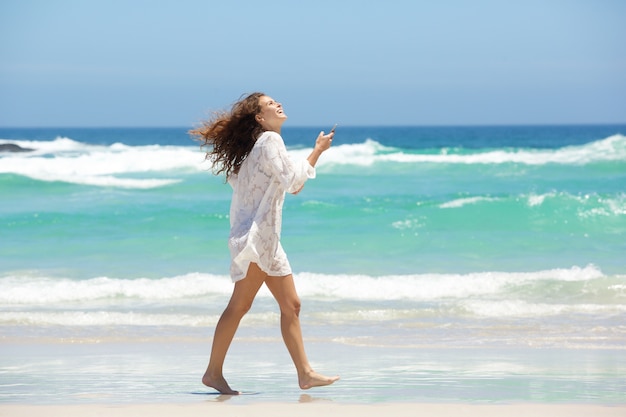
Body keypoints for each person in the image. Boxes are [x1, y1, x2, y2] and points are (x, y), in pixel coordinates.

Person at [190, 92, 339, 395]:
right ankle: (212, 372)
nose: (278, 104)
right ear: (260, 117)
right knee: (240, 305)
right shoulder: (270, 141)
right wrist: (318, 151)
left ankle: (305, 374)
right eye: (270, 104)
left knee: (291, 305)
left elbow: (290, 186)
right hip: (258, 239)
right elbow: (294, 183)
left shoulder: (261, 146)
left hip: (267, 240)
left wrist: (312, 156)